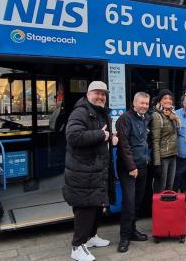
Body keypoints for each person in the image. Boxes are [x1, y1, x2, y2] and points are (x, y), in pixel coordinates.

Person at [63, 81, 117, 261]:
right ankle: (77, 247)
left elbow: (104, 136)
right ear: (88, 94)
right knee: (85, 209)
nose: (100, 97)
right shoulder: (81, 112)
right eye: (97, 93)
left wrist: (111, 138)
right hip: (83, 171)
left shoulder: (101, 112)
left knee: (96, 206)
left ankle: (91, 237)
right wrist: (102, 135)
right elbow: (73, 136)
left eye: (103, 94)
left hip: (97, 170)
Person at [116, 92, 151, 253]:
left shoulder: (145, 118)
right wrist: (131, 168)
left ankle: (132, 231)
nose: (144, 106)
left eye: (146, 103)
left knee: (137, 201)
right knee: (129, 202)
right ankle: (124, 237)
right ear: (134, 103)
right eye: (142, 103)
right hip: (129, 169)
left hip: (142, 166)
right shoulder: (125, 119)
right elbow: (124, 146)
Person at [151, 89, 180, 193]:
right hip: (163, 158)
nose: (168, 100)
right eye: (165, 98)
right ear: (160, 101)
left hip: (173, 155)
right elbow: (155, 140)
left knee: (170, 187)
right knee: (161, 188)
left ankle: (167, 209)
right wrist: (157, 164)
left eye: (170, 98)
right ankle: (158, 209)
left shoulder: (173, 115)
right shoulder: (157, 115)